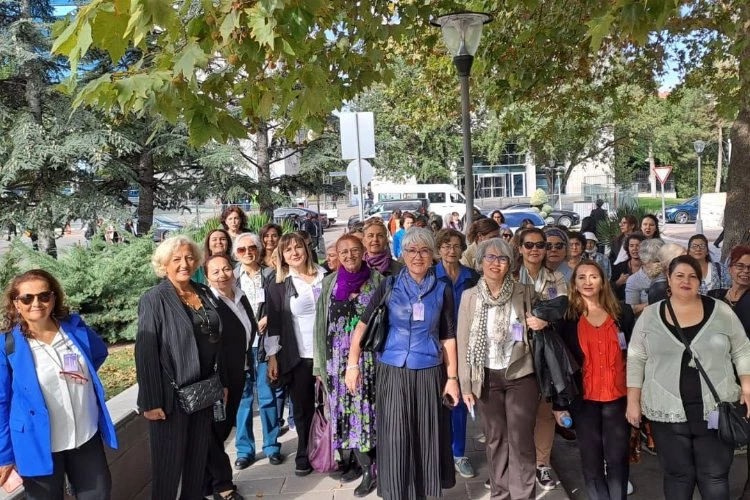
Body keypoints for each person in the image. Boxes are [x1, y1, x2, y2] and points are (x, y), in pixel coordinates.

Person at [345, 227, 458, 499]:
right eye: (411, 250)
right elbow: (362, 325)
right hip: (392, 370)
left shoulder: (443, 289)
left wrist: (452, 378)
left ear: (433, 255)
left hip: (429, 371)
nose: (418, 256)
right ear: (402, 253)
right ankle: (396, 492)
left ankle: (426, 493)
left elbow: (448, 336)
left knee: (426, 436)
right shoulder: (389, 285)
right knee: (395, 435)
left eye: (424, 250)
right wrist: (352, 364)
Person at [626, 255, 750, 499]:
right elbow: (636, 357)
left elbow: (742, 349)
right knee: (677, 475)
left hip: (715, 410)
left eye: (693, 276)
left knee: (714, 476)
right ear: (669, 279)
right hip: (666, 412)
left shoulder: (721, 311)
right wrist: (633, 401)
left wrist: (747, 387)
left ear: (700, 280)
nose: (686, 281)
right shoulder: (650, 316)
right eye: (680, 275)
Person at [0, 270, 117, 499]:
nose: (36, 303)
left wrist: (78, 380)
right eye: (27, 298)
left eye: (44, 296)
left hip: (85, 437)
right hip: (37, 443)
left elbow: (98, 353)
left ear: (54, 298)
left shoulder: (74, 328)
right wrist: (4, 456)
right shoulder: (8, 345)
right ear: (16, 303)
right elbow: (1, 401)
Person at [136, 235, 225, 500]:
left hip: (202, 393)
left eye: (188, 258)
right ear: (164, 265)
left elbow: (215, 338)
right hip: (170, 399)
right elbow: (145, 351)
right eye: (176, 259)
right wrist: (151, 401)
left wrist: (221, 383)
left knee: (196, 466)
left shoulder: (203, 292)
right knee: (168, 469)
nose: (184, 264)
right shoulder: (154, 299)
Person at [457, 238, 540, 499]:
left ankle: (523, 494)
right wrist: (466, 386)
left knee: (521, 439)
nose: (496, 263)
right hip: (485, 376)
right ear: (480, 262)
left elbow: (543, 322)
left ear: (510, 263)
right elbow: (462, 341)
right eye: (490, 258)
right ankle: (500, 493)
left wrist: (542, 321)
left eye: (502, 258)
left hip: (520, 373)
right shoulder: (469, 296)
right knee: (495, 439)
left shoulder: (524, 292)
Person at [555, 262, 635, 500]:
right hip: (584, 400)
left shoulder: (622, 313)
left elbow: (635, 357)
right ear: (574, 283)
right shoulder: (566, 318)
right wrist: (559, 405)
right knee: (591, 462)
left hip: (618, 398)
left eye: (593, 277)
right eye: (581, 277)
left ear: (603, 281)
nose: (588, 282)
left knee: (618, 459)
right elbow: (559, 364)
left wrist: (636, 399)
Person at [313, 235, 384, 496]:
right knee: (347, 415)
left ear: (363, 251)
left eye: (355, 250)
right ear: (337, 255)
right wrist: (319, 368)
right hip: (338, 365)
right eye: (343, 252)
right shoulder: (329, 283)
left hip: (371, 362)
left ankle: (377, 467)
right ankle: (365, 468)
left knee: (371, 415)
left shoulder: (378, 281)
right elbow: (320, 327)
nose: (349, 255)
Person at [266, 232, 326, 477]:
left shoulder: (326, 275)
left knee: (332, 405)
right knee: (302, 409)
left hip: (328, 354)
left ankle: (335, 451)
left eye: (298, 247)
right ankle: (304, 453)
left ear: (306, 248)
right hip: (299, 356)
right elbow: (274, 324)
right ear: (282, 256)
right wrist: (272, 356)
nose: (294, 253)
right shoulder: (278, 285)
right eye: (288, 250)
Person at [515, 227, 568, 491]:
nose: (535, 249)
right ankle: (515, 464)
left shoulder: (555, 277)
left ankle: (542, 463)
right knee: (518, 413)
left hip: (546, 353)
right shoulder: (511, 275)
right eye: (529, 245)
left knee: (545, 412)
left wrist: (544, 319)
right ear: (520, 248)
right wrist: (543, 313)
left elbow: (562, 308)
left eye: (540, 245)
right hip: (516, 352)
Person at [205, 255, 255, 500]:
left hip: (240, 371)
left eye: (226, 268)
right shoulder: (208, 305)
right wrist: (221, 381)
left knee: (223, 429)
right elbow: (212, 346)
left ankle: (206, 482)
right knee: (215, 431)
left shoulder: (240, 295)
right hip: (221, 379)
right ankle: (222, 486)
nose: (222, 274)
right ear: (207, 278)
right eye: (215, 272)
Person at [232, 233, 284, 470]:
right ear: (236, 254)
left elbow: (280, 306)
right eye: (242, 249)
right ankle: (244, 450)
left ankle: (272, 446)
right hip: (239, 349)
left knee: (267, 396)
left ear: (259, 249)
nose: (247, 252)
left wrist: (268, 318)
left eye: (252, 247)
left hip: (265, 345)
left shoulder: (271, 275)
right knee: (243, 400)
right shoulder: (231, 277)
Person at [435, 228, 480, 480]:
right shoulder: (431, 275)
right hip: (436, 345)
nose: (451, 250)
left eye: (455, 245)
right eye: (446, 245)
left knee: (460, 401)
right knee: (435, 401)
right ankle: (437, 453)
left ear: (462, 248)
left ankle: (459, 453)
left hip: (466, 346)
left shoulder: (472, 276)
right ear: (438, 249)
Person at [708, 245, 750, 498]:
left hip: (746, 375)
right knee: (719, 433)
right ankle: (716, 484)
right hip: (718, 377)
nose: (745, 271)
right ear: (730, 268)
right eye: (740, 266)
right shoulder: (714, 297)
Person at [625, 238, 664, 315]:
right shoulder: (634, 280)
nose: (658, 265)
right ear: (644, 261)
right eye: (654, 261)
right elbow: (631, 310)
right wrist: (654, 302)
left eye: (660, 261)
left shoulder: (667, 275)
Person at [610, 233, 644, 301]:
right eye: (631, 246)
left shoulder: (648, 267)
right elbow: (608, 288)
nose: (634, 249)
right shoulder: (619, 267)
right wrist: (618, 282)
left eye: (638, 245)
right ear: (627, 248)